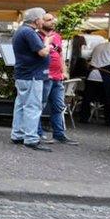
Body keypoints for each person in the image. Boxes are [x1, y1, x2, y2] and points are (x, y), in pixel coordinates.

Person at [10, 7, 53, 151]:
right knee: (33, 106)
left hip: (23, 74)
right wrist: (48, 42)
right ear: (36, 20)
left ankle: (17, 134)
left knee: (21, 105)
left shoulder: (20, 31)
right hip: (32, 75)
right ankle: (31, 138)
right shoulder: (29, 32)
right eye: (43, 18)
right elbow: (42, 52)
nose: (44, 21)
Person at [38, 13, 78, 145]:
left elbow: (60, 55)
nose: (52, 22)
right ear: (41, 21)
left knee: (58, 107)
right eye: (49, 20)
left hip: (57, 77)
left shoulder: (57, 36)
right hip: (45, 76)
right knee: (39, 105)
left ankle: (59, 134)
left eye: (53, 20)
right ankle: (37, 134)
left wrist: (64, 71)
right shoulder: (37, 36)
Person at [79, 33, 110, 124]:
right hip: (106, 75)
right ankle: (108, 120)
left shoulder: (99, 46)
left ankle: (83, 117)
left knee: (87, 98)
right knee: (109, 98)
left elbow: (89, 58)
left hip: (92, 75)